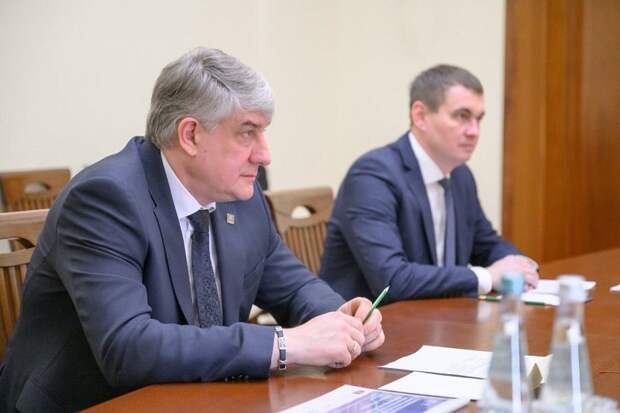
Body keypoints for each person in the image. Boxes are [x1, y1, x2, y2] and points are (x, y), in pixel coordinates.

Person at [0, 47, 384, 412]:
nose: (264, 155)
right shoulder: (105, 199)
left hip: (193, 397)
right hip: (93, 403)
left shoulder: (241, 197)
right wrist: (284, 345)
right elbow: (127, 348)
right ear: (190, 135)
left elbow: (294, 287)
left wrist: (343, 318)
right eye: (247, 133)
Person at [320, 64, 539, 303]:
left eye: (478, 119)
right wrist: (487, 277)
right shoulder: (372, 176)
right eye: (462, 116)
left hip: (437, 314)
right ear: (420, 116)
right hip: (371, 321)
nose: (474, 131)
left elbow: (485, 244)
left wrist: (521, 266)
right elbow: (392, 280)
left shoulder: (460, 175)